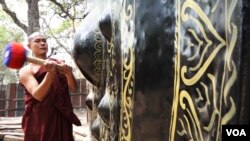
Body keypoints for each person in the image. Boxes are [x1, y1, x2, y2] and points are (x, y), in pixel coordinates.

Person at [19, 32, 82, 141]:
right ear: (29, 46)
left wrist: (68, 73)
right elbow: (38, 95)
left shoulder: (58, 63)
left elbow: (74, 88)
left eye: (44, 40)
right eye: (37, 41)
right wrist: (51, 73)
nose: (42, 43)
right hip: (40, 118)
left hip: (60, 115)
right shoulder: (26, 70)